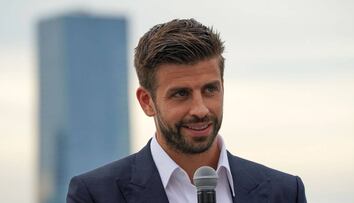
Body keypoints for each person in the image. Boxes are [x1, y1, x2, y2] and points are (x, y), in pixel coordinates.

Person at [67, 18, 307, 203]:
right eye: (181, 94)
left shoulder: (284, 192)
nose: (200, 109)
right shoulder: (96, 195)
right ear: (146, 101)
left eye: (210, 90)